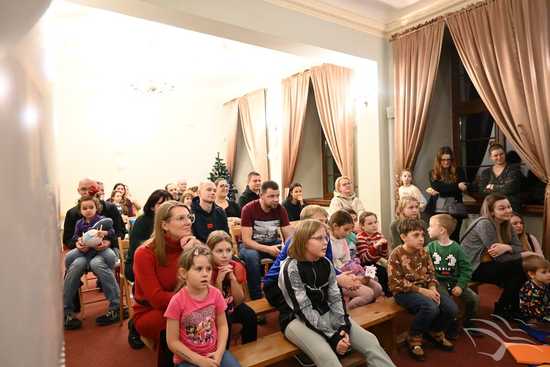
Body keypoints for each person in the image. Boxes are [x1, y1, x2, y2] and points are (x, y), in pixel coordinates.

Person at [279, 219, 396, 367]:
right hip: (296, 319)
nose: (325, 242)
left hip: (326, 312)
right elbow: (304, 309)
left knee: (370, 341)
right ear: (303, 240)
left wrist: (343, 327)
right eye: (319, 238)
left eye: (326, 237)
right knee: (326, 355)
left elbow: (335, 298)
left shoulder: (326, 263)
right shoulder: (291, 268)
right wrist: (334, 337)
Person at [133, 201, 202, 367]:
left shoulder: (189, 244)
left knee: (215, 315)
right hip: (152, 311)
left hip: (187, 304)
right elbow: (156, 299)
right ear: (164, 224)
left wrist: (196, 251)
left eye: (188, 217)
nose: (187, 222)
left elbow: (207, 281)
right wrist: (195, 301)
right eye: (180, 218)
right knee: (183, 323)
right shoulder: (145, 253)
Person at [389, 218, 457, 361]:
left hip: (426, 287)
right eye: (416, 235)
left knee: (451, 308)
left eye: (422, 235)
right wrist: (422, 291)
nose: (421, 239)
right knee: (431, 307)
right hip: (405, 291)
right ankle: (414, 336)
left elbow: (431, 273)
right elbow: (395, 283)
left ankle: (435, 331)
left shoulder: (423, 252)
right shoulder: (396, 254)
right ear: (403, 237)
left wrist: (432, 287)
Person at [461, 194, 534, 319]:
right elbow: (500, 259)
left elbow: (518, 247)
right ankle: (504, 308)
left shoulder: (507, 223)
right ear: (491, 212)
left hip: (488, 263)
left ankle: (507, 308)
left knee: (518, 271)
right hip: (471, 267)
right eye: (502, 208)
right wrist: (523, 255)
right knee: (518, 267)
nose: (508, 210)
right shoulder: (484, 223)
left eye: (509, 206)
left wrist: (507, 247)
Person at [165, 245, 241, 367]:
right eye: (199, 269)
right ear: (184, 273)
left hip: (215, 353)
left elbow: (222, 326)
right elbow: (172, 341)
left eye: (208, 269)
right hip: (188, 360)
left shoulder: (216, 294)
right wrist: (198, 360)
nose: (205, 274)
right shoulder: (177, 301)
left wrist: (219, 352)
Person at [63, 196, 122, 329]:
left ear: (97, 208)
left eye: (91, 207)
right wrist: (78, 243)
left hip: (100, 252)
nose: (88, 210)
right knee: (73, 263)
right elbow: (74, 237)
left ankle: (116, 307)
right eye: (84, 208)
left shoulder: (103, 221)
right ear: (80, 210)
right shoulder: (79, 223)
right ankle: (66, 311)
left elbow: (113, 233)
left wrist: (106, 237)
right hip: (84, 253)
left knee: (99, 263)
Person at [126, 189, 173, 349]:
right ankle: (136, 324)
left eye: (169, 202)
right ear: (153, 206)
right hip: (138, 265)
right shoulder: (142, 222)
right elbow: (137, 251)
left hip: (161, 262)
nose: (167, 206)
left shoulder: (174, 226)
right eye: (162, 203)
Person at [426, 214, 479, 337]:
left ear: (441, 230)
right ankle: (448, 324)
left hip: (455, 281)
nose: (428, 229)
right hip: (439, 282)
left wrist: (460, 286)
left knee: (474, 299)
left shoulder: (457, 248)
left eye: (431, 226)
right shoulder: (430, 247)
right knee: (449, 305)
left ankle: (468, 322)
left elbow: (466, 269)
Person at [240, 180, 293, 300]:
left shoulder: (280, 209)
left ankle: (279, 291)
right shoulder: (248, 209)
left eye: (277, 195)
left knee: (289, 254)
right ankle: (256, 296)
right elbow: (247, 241)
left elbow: (289, 236)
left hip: (273, 243)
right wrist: (268, 249)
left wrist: (287, 248)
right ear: (261, 195)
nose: (276, 199)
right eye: (271, 196)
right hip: (251, 246)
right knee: (252, 257)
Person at [207, 231, 257, 345]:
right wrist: (219, 281)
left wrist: (232, 279)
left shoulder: (236, 266)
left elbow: (239, 301)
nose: (225, 255)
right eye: (219, 251)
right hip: (213, 310)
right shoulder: (207, 269)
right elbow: (213, 305)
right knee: (225, 322)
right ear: (210, 252)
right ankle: (223, 352)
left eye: (228, 250)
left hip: (232, 305)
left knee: (250, 316)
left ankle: (250, 348)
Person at [329, 210, 383, 310]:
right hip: (340, 277)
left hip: (350, 271)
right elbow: (332, 268)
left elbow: (348, 261)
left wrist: (361, 276)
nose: (349, 233)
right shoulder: (327, 241)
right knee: (368, 294)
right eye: (346, 230)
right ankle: (347, 311)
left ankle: (368, 314)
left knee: (377, 288)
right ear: (335, 226)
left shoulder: (343, 239)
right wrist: (354, 277)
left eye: (350, 230)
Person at [63, 178, 125, 250]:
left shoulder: (111, 208)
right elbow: (67, 239)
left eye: (91, 188)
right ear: (78, 191)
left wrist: (109, 242)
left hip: (107, 252)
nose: (87, 192)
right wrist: (77, 244)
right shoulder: (72, 213)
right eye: (83, 189)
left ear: (97, 190)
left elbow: (121, 233)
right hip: (82, 254)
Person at [426, 146, 468, 242]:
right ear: (439, 160)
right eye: (443, 159)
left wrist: (442, 190)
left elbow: (463, 187)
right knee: (439, 238)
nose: (446, 162)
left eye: (449, 159)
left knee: (455, 238)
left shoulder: (459, 171)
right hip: (438, 209)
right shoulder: (432, 173)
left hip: (455, 209)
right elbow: (438, 187)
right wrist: (456, 186)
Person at [479, 143, 523, 212]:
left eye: (501, 154)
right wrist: (501, 187)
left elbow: (509, 188)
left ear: (505, 154)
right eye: (495, 155)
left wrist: (492, 186)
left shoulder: (514, 169)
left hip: (511, 209)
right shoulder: (486, 172)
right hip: (491, 209)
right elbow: (482, 190)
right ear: (491, 157)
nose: (499, 157)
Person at [356, 212, 390, 295]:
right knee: (380, 271)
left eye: (375, 222)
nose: (374, 225)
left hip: (378, 261)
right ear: (362, 226)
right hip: (366, 264)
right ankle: (384, 291)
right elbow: (365, 259)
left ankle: (390, 288)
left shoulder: (379, 236)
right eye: (370, 223)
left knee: (390, 267)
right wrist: (375, 246)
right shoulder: (361, 238)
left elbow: (384, 256)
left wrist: (384, 246)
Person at [519, 255, 550, 322]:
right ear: (531, 274)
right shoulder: (530, 289)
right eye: (544, 272)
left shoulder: (544, 283)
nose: (549, 275)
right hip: (534, 316)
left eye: (549, 271)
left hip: (544, 309)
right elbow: (534, 310)